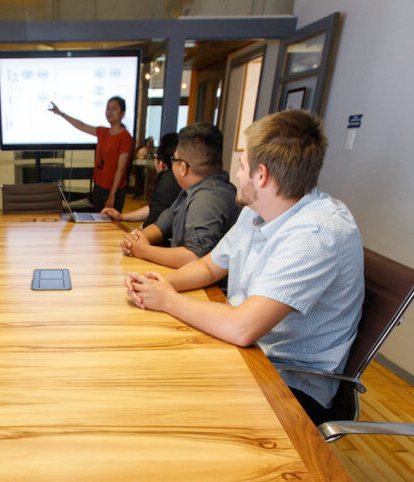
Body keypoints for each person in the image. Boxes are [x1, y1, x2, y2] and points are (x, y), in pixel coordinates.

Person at [125, 110, 364, 425]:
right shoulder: (256, 211)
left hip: (287, 382)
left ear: (261, 175)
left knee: (158, 396)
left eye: (241, 166)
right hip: (247, 353)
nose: (235, 175)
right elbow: (210, 267)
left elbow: (242, 327)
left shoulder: (315, 234)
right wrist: (159, 286)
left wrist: (168, 300)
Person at [118, 123, 239, 268]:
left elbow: (193, 257)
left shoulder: (206, 200)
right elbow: (165, 222)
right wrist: (137, 238)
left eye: (174, 159)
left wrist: (144, 251)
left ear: (183, 168)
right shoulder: (193, 189)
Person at [49, 96, 134, 212]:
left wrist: (112, 195)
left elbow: (121, 168)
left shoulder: (125, 137)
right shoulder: (102, 132)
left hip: (114, 190)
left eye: (114, 109)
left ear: (122, 113)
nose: (110, 112)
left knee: (110, 225)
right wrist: (60, 113)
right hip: (99, 187)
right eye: (107, 108)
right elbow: (81, 125)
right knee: (97, 222)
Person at [102, 131, 181, 228]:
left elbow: (153, 223)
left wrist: (134, 234)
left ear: (161, 163)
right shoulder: (172, 179)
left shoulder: (167, 181)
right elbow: (154, 208)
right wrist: (121, 217)